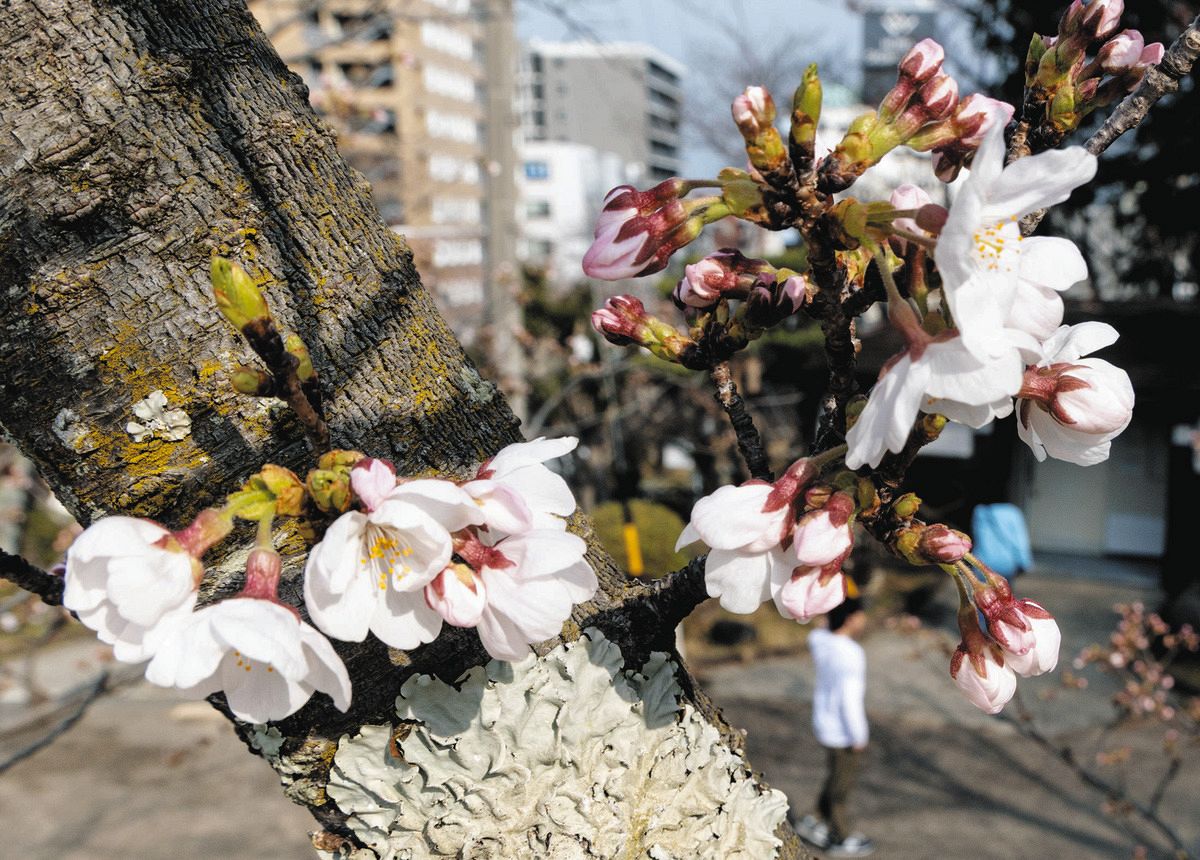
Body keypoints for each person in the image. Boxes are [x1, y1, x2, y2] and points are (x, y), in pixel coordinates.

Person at [794, 594, 875, 857]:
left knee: (833, 775)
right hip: (843, 730)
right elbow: (849, 699)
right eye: (861, 616)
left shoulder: (822, 642)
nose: (864, 621)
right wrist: (859, 735)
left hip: (824, 721)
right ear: (850, 619)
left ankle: (813, 820)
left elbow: (815, 633)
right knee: (842, 786)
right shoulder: (851, 653)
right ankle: (839, 837)